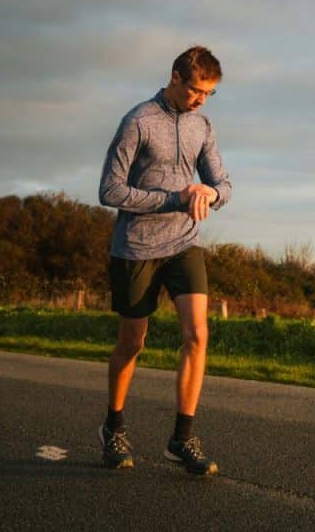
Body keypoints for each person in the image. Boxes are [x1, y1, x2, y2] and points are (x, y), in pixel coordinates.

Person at [96, 46, 231, 475]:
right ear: (175, 77)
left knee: (197, 333)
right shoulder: (137, 121)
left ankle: (182, 438)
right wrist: (175, 196)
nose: (200, 100)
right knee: (132, 342)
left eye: (209, 94)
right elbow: (110, 191)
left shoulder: (203, 125)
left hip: (184, 244)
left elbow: (223, 183)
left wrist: (210, 193)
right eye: (195, 90)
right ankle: (113, 427)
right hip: (136, 248)